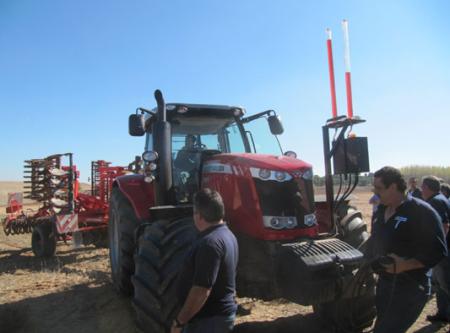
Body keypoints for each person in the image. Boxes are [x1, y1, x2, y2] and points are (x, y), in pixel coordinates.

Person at [366, 166, 447, 333]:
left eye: (379, 188)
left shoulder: (421, 212)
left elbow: (438, 251)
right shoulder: (381, 210)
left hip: (410, 287)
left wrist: (405, 264)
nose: (375, 192)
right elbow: (375, 240)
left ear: (394, 187)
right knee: (382, 324)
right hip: (385, 284)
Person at [173, 188, 239, 333]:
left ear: (199, 215)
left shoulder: (210, 243)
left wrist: (179, 321)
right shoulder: (227, 235)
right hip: (216, 318)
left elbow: (201, 290)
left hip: (209, 321)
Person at [421, 176, 450, 323]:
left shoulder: (437, 201)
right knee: (439, 283)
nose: (421, 189)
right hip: (441, 250)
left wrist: (439, 247)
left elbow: (444, 226)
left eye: (422, 186)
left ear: (427, 187)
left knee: (446, 283)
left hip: (443, 251)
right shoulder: (438, 199)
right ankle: (443, 313)